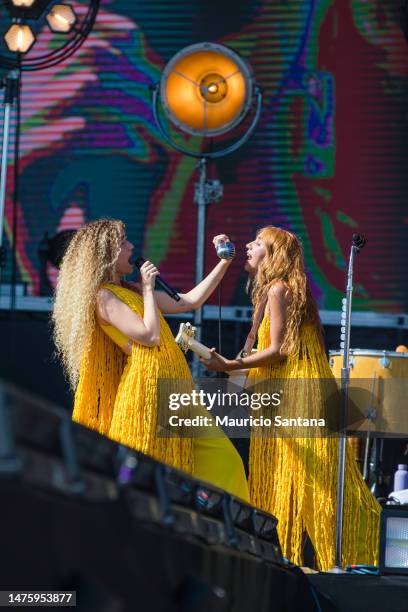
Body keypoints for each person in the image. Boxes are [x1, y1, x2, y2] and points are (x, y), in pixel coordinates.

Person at [201, 225, 380, 570]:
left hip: (296, 397)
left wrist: (230, 364)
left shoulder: (279, 289)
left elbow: (279, 350)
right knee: (299, 480)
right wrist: (231, 369)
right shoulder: (272, 290)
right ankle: (302, 558)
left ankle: (359, 557)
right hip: (284, 398)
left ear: (273, 254)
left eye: (256, 243)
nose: (249, 246)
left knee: (316, 484)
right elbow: (258, 349)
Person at [52, 218, 249, 501]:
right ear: (106, 254)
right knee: (153, 475)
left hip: (176, 390)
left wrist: (224, 261)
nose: (131, 246)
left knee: (226, 459)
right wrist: (147, 288)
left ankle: (233, 535)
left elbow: (190, 301)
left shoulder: (129, 290)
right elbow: (149, 336)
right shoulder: (103, 298)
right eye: (123, 242)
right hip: (149, 392)